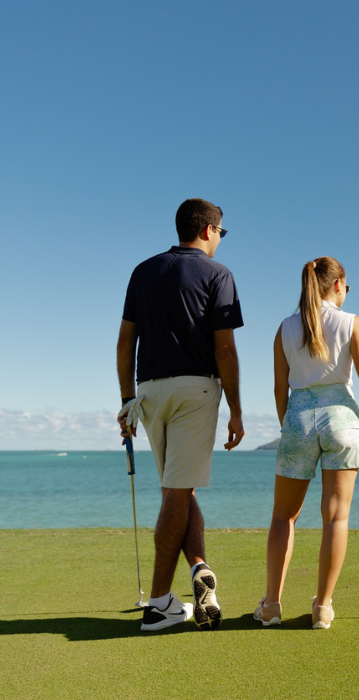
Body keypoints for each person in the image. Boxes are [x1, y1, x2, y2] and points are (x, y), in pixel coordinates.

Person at [254, 256, 359, 629]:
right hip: (342, 421)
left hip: (299, 418)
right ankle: (322, 608)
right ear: (337, 285)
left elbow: (279, 388)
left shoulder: (284, 328)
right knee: (335, 517)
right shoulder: (352, 323)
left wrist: (289, 425)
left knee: (284, 516)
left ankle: (271, 607)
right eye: (346, 286)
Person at [116, 198, 245, 632]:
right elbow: (225, 349)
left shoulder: (143, 270)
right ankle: (157, 605)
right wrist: (236, 409)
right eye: (221, 232)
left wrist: (126, 400)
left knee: (179, 490)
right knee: (176, 492)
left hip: (150, 392)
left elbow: (124, 343)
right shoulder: (217, 274)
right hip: (195, 388)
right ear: (208, 230)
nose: (220, 240)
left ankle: (198, 568)